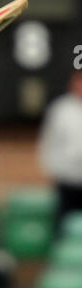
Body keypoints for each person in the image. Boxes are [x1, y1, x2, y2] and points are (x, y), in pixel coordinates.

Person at [38, 70, 82, 233]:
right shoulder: (61, 109)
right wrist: (53, 170)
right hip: (67, 182)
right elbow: (49, 141)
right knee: (64, 225)